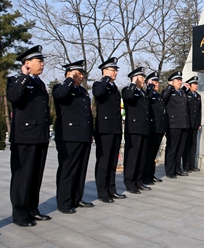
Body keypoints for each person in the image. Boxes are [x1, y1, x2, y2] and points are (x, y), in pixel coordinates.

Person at [7, 45, 51, 227]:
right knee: (22, 177)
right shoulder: (16, 80)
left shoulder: (40, 83)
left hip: (39, 136)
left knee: (35, 176)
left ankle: (33, 209)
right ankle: (19, 214)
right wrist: (24, 76)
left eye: (42, 61)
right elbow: (14, 97)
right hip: (24, 137)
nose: (42, 64)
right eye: (38, 61)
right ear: (27, 63)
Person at [52, 60, 94, 213]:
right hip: (68, 136)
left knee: (80, 169)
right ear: (70, 73)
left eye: (82, 73)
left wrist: (91, 132)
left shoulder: (82, 91)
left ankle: (77, 198)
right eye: (79, 73)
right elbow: (61, 95)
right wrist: (70, 79)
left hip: (83, 135)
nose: (81, 76)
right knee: (67, 169)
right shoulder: (61, 88)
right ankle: (64, 202)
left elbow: (88, 115)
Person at [92, 57, 126, 203]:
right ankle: (102, 192)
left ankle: (112, 189)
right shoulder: (99, 84)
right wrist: (106, 78)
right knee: (104, 161)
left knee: (112, 161)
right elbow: (98, 94)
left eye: (115, 71)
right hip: (104, 129)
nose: (115, 73)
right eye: (112, 70)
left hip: (115, 128)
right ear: (105, 71)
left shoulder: (113, 87)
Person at [122, 66, 151, 193]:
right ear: (135, 77)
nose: (144, 79)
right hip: (133, 129)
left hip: (143, 128)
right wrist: (133, 83)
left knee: (141, 157)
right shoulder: (128, 90)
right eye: (142, 77)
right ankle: (130, 182)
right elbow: (128, 97)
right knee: (132, 157)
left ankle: (139, 181)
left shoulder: (143, 93)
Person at [162, 71, 189, 178]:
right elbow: (164, 97)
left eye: (180, 80)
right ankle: (169, 171)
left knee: (180, 149)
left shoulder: (181, 92)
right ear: (172, 82)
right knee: (172, 148)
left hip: (183, 124)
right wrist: (169, 86)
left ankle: (178, 168)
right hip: (173, 125)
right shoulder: (169, 91)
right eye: (178, 80)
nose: (180, 82)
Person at [144, 72, 165, 184]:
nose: (157, 84)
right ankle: (146, 176)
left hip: (159, 128)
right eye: (155, 82)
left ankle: (151, 174)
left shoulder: (159, 95)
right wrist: (150, 87)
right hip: (152, 128)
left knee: (153, 154)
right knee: (149, 154)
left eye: (157, 82)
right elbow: (149, 97)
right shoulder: (149, 94)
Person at [183, 76, 202, 172]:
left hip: (195, 124)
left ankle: (192, 165)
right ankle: (186, 166)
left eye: (196, 84)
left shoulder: (198, 96)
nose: (196, 86)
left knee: (193, 145)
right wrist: (185, 88)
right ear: (189, 85)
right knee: (187, 144)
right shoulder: (186, 94)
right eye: (194, 84)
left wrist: (199, 123)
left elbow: (199, 111)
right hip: (188, 124)